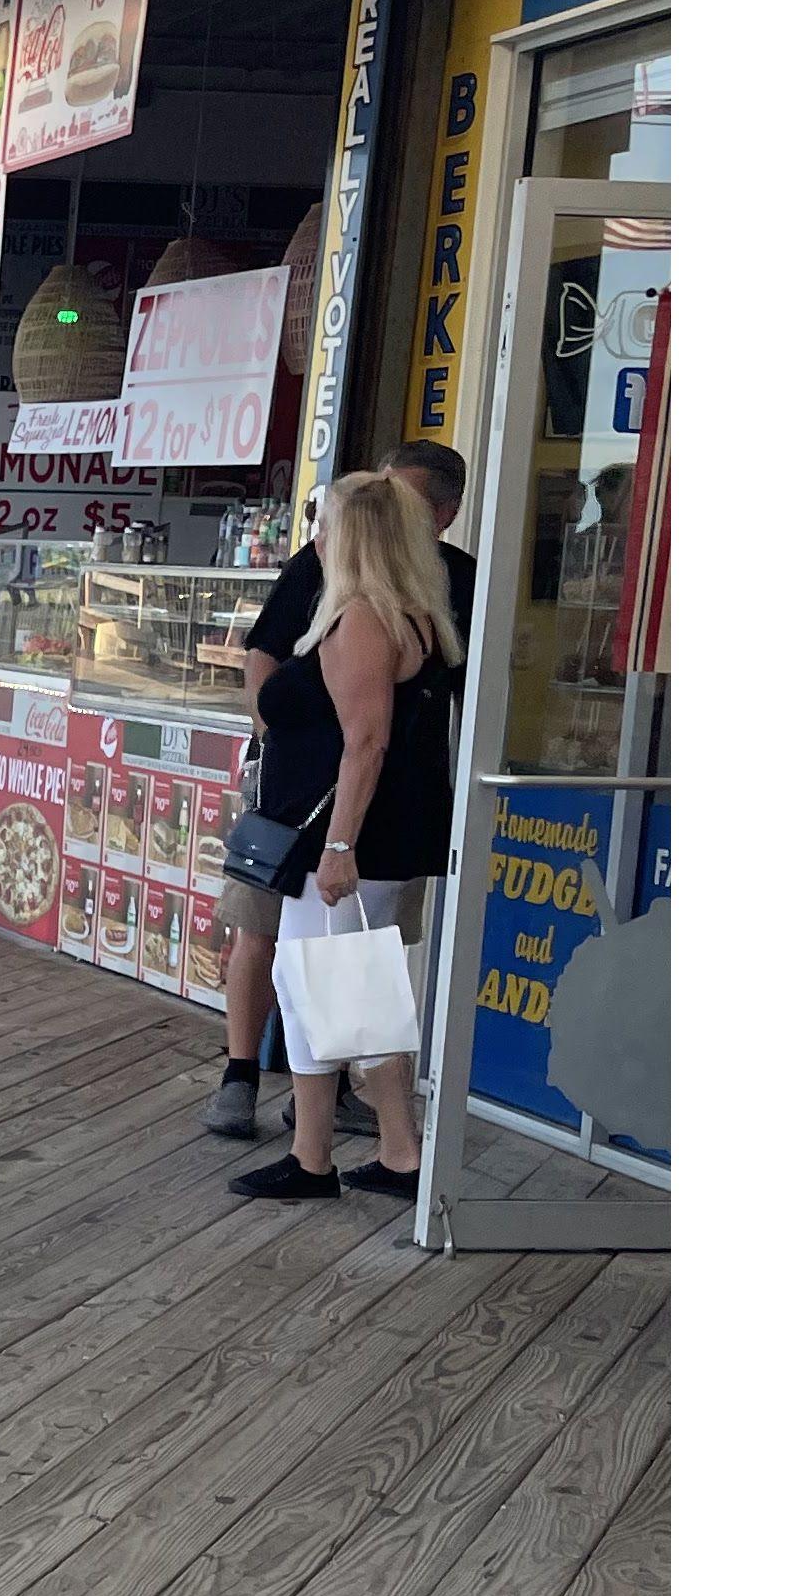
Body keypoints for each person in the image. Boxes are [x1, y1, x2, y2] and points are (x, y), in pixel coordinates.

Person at [208, 439, 472, 1140]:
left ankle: (374, 1150)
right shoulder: (385, 604)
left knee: (342, 991)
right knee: (331, 989)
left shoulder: (369, 616)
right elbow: (272, 664)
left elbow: (367, 740)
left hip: (338, 833)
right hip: (322, 826)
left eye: (329, 524)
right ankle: (330, 1146)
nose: (318, 537)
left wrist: (340, 845)